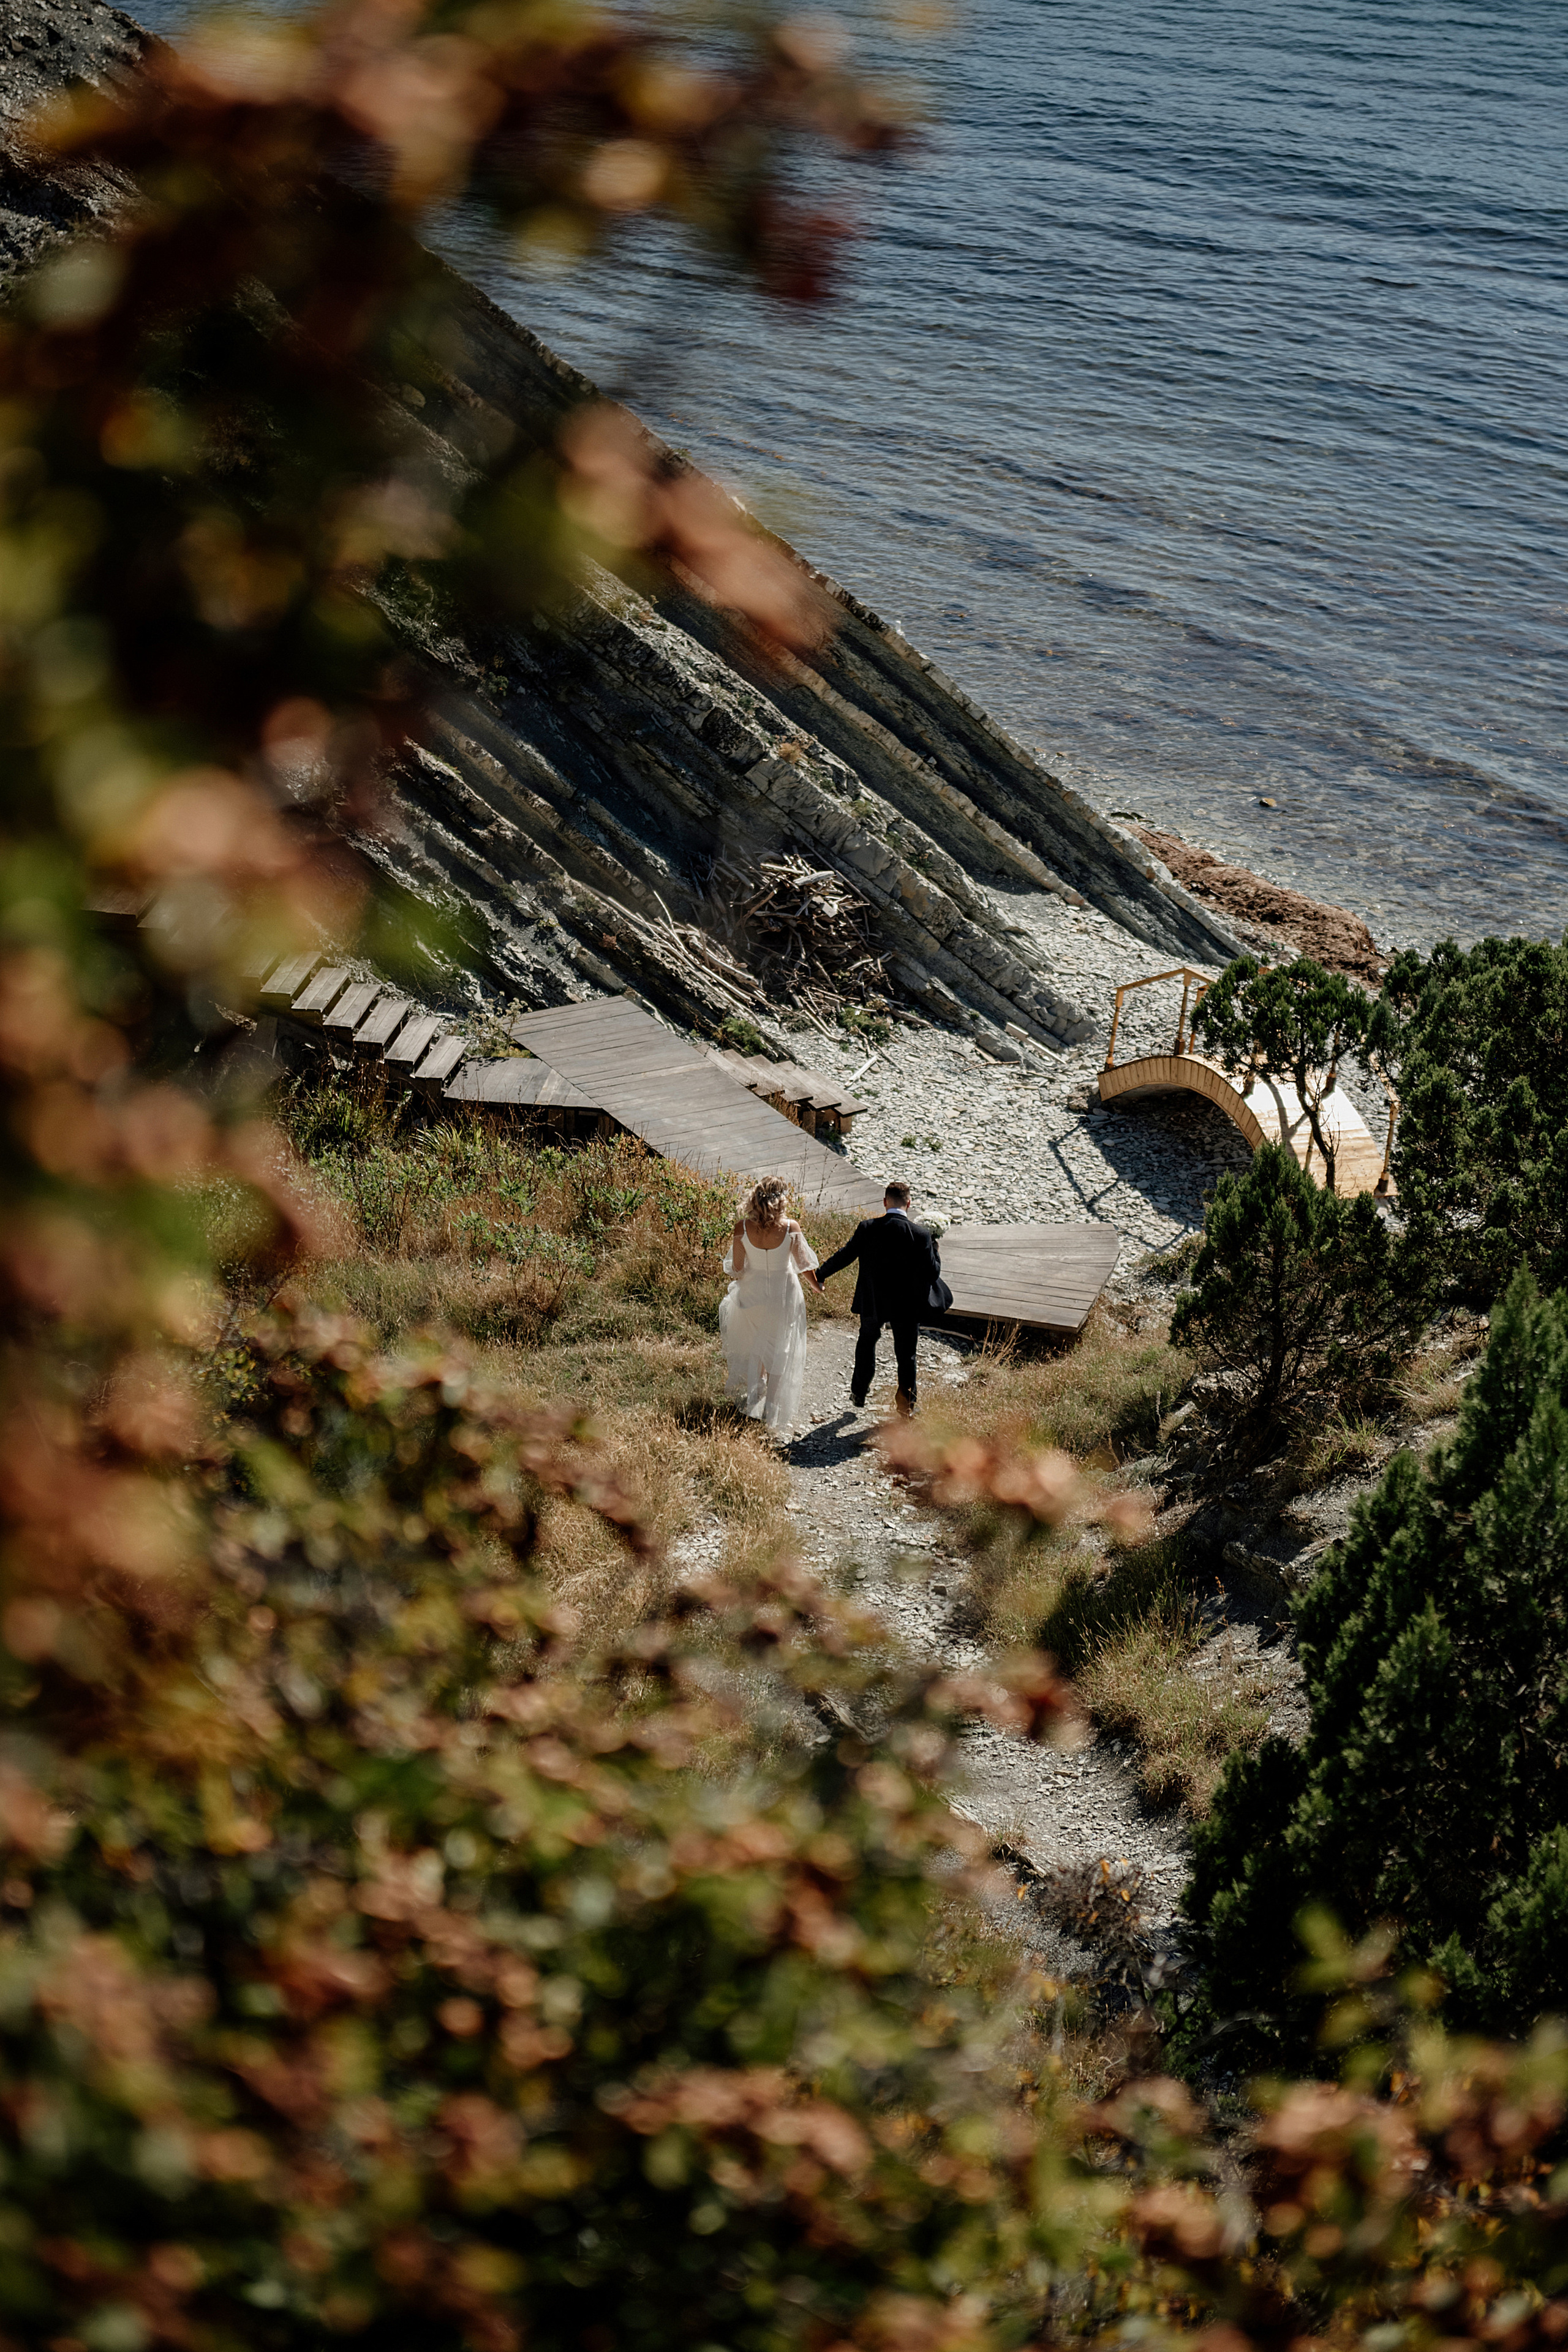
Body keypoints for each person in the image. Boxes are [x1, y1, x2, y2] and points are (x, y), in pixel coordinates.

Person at [810, 1181, 947, 1418]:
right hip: (906, 1305)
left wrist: (819, 1275)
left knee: (867, 1342)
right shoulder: (921, 1234)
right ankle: (906, 1407)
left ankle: (859, 1392)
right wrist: (934, 1247)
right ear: (909, 1203)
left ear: (885, 1202)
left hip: (873, 1300)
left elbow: (846, 1255)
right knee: (906, 1354)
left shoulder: (868, 1228)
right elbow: (933, 1273)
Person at [718, 1176, 820, 1438]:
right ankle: (771, 1412)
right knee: (779, 1347)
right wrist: (817, 1286)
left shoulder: (741, 1227)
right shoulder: (791, 1227)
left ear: (755, 1198)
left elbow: (738, 1269)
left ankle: (754, 1396)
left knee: (756, 1345)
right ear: (782, 1200)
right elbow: (804, 1265)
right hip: (782, 1293)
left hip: (752, 1293)